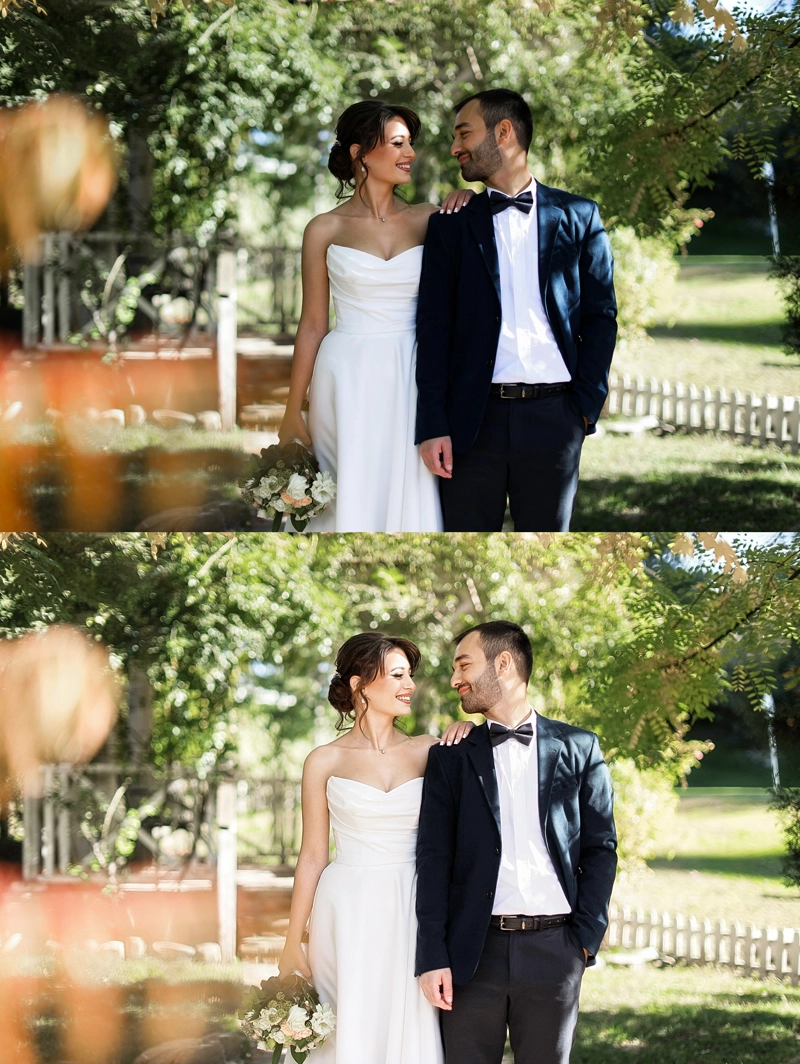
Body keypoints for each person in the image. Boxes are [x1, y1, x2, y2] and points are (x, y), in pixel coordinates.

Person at [415, 89, 618, 532]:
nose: (454, 147)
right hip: (471, 422)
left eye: (463, 133)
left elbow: (601, 317)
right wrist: (432, 424)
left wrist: (586, 405)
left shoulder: (580, 216)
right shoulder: (451, 224)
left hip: (557, 419)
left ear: (503, 132)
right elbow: (433, 329)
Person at [416, 621, 618, 1064]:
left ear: (503, 663)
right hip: (472, 953)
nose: (455, 680)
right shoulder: (451, 756)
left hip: (557, 950)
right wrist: (432, 954)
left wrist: (586, 937)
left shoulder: (580, 747)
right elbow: (433, 859)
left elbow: (601, 849)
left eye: (463, 665)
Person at [277, 632, 473, 1064]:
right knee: (346, 1020)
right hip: (345, 908)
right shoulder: (323, 760)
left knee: (409, 1016)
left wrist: (468, 729)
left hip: (412, 903)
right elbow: (312, 856)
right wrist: (294, 940)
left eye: (410, 675)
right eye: (398, 675)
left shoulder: (429, 749)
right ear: (359, 684)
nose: (410, 685)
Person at [277, 101, 469, 532]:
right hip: (344, 374)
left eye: (410, 143)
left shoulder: (429, 217)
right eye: (398, 143)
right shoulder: (323, 228)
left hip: (413, 371)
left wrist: (468, 198)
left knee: (409, 480)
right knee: (343, 486)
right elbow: (312, 324)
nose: (410, 153)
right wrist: (293, 408)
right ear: (360, 153)